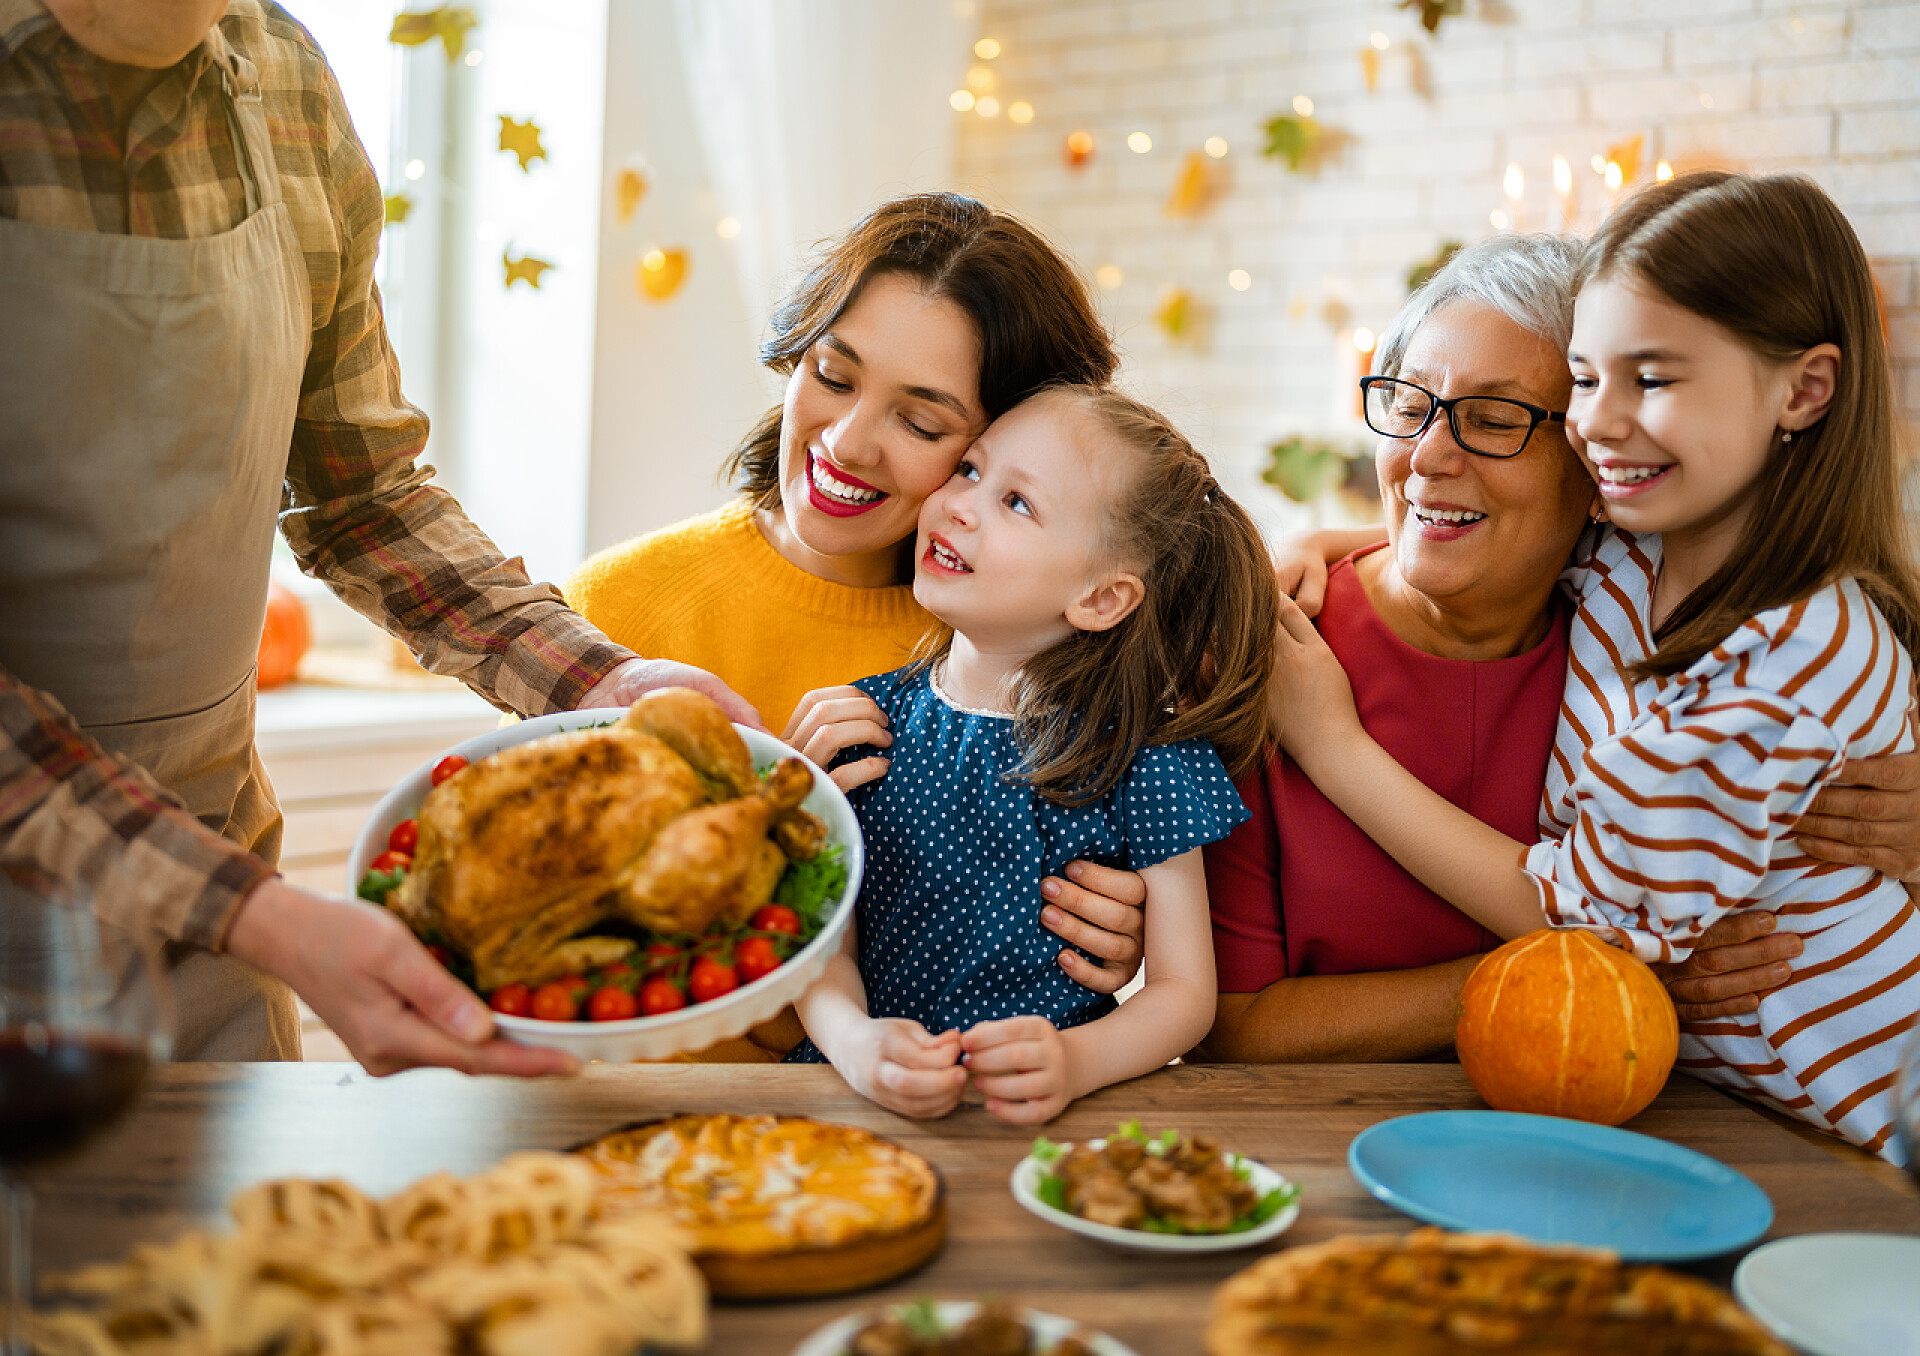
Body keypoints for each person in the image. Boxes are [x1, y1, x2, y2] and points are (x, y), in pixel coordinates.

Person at [0, 0, 753, 1074]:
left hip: (213, 899)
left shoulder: (288, 80)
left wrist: (601, 683)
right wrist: (264, 915)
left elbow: (362, 494)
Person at [1272, 173, 1920, 1162]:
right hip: (1687, 1110)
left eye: (1653, 378)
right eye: (1585, 377)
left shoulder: (1779, 664)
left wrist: (1331, 743)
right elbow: (1502, 516)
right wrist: (1339, 534)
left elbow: (1583, 923)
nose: (1597, 422)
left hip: (1855, 1139)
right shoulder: (1630, 560)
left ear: (1803, 392)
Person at [568, 195, 1156, 1049]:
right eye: (833, 377)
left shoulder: (1028, 655)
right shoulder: (613, 610)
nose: (845, 442)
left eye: (921, 421)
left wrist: (1103, 931)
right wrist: (777, 824)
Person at [788, 386, 1278, 1124]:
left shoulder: (1144, 754)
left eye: (1017, 503)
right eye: (971, 471)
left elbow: (1184, 996)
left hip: (1048, 1113)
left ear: (1103, 598)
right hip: (863, 1099)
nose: (959, 503)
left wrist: (1076, 1062)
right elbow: (823, 942)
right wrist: (854, 1044)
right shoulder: (862, 722)